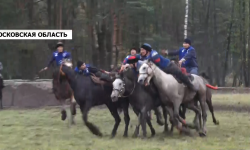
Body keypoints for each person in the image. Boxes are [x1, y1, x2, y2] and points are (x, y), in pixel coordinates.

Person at [123, 43, 197, 91]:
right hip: (159, 71)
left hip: (168, 67)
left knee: (179, 73)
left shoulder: (153, 54)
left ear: (147, 50)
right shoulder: (142, 56)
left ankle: (191, 85)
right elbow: (130, 57)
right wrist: (124, 64)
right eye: (141, 50)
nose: (141, 51)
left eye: (142, 50)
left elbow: (157, 64)